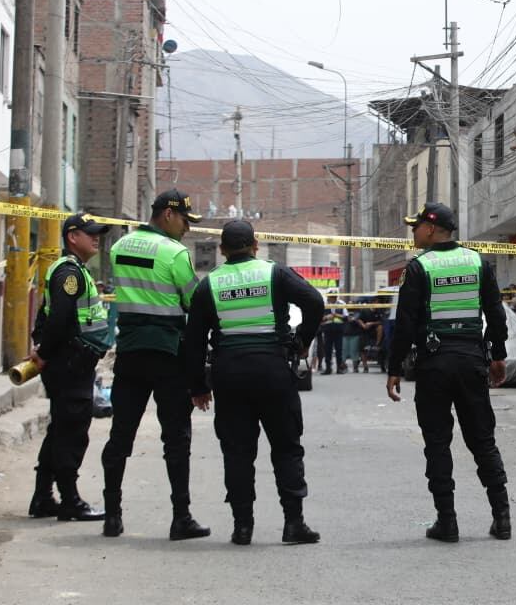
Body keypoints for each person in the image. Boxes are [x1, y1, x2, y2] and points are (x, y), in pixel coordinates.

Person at [184, 220, 324, 546]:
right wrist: (301, 340)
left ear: (222, 251)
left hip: (229, 375)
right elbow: (314, 303)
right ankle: (294, 524)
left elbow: (193, 341)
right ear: (256, 245)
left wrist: (198, 388)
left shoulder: (209, 285)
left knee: (237, 452)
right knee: (287, 447)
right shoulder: (274, 273)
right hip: (273, 371)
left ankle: (242, 527)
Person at [386, 202, 511, 543]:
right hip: (472, 360)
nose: (412, 233)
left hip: (434, 364)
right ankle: (502, 518)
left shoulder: (419, 268)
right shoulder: (477, 261)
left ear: (430, 228)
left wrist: (394, 368)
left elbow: (406, 323)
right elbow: (495, 313)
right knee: (483, 440)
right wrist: (497, 354)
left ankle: (448, 521)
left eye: (415, 227)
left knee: (438, 443)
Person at [100, 189, 210, 541]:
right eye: (184, 221)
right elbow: (195, 301)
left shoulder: (120, 247)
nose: (187, 230)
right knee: (176, 439)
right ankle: (181, 517)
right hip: (168, 355)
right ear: (167, 215)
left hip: (130, 353)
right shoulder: (175, 253)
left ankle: (112, 515)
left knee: (120, 435)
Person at [27, 213, 113, 522]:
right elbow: (60, 318)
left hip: (70, 362)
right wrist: (45, 353)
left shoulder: (74, 270)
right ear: (72, 236)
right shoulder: (69, 273)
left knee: (60, 430)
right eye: (90, 233)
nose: (96, 238)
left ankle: (43, 498)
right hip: (69, 363)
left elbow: (48, 314)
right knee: (71, 433)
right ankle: (70, 500)